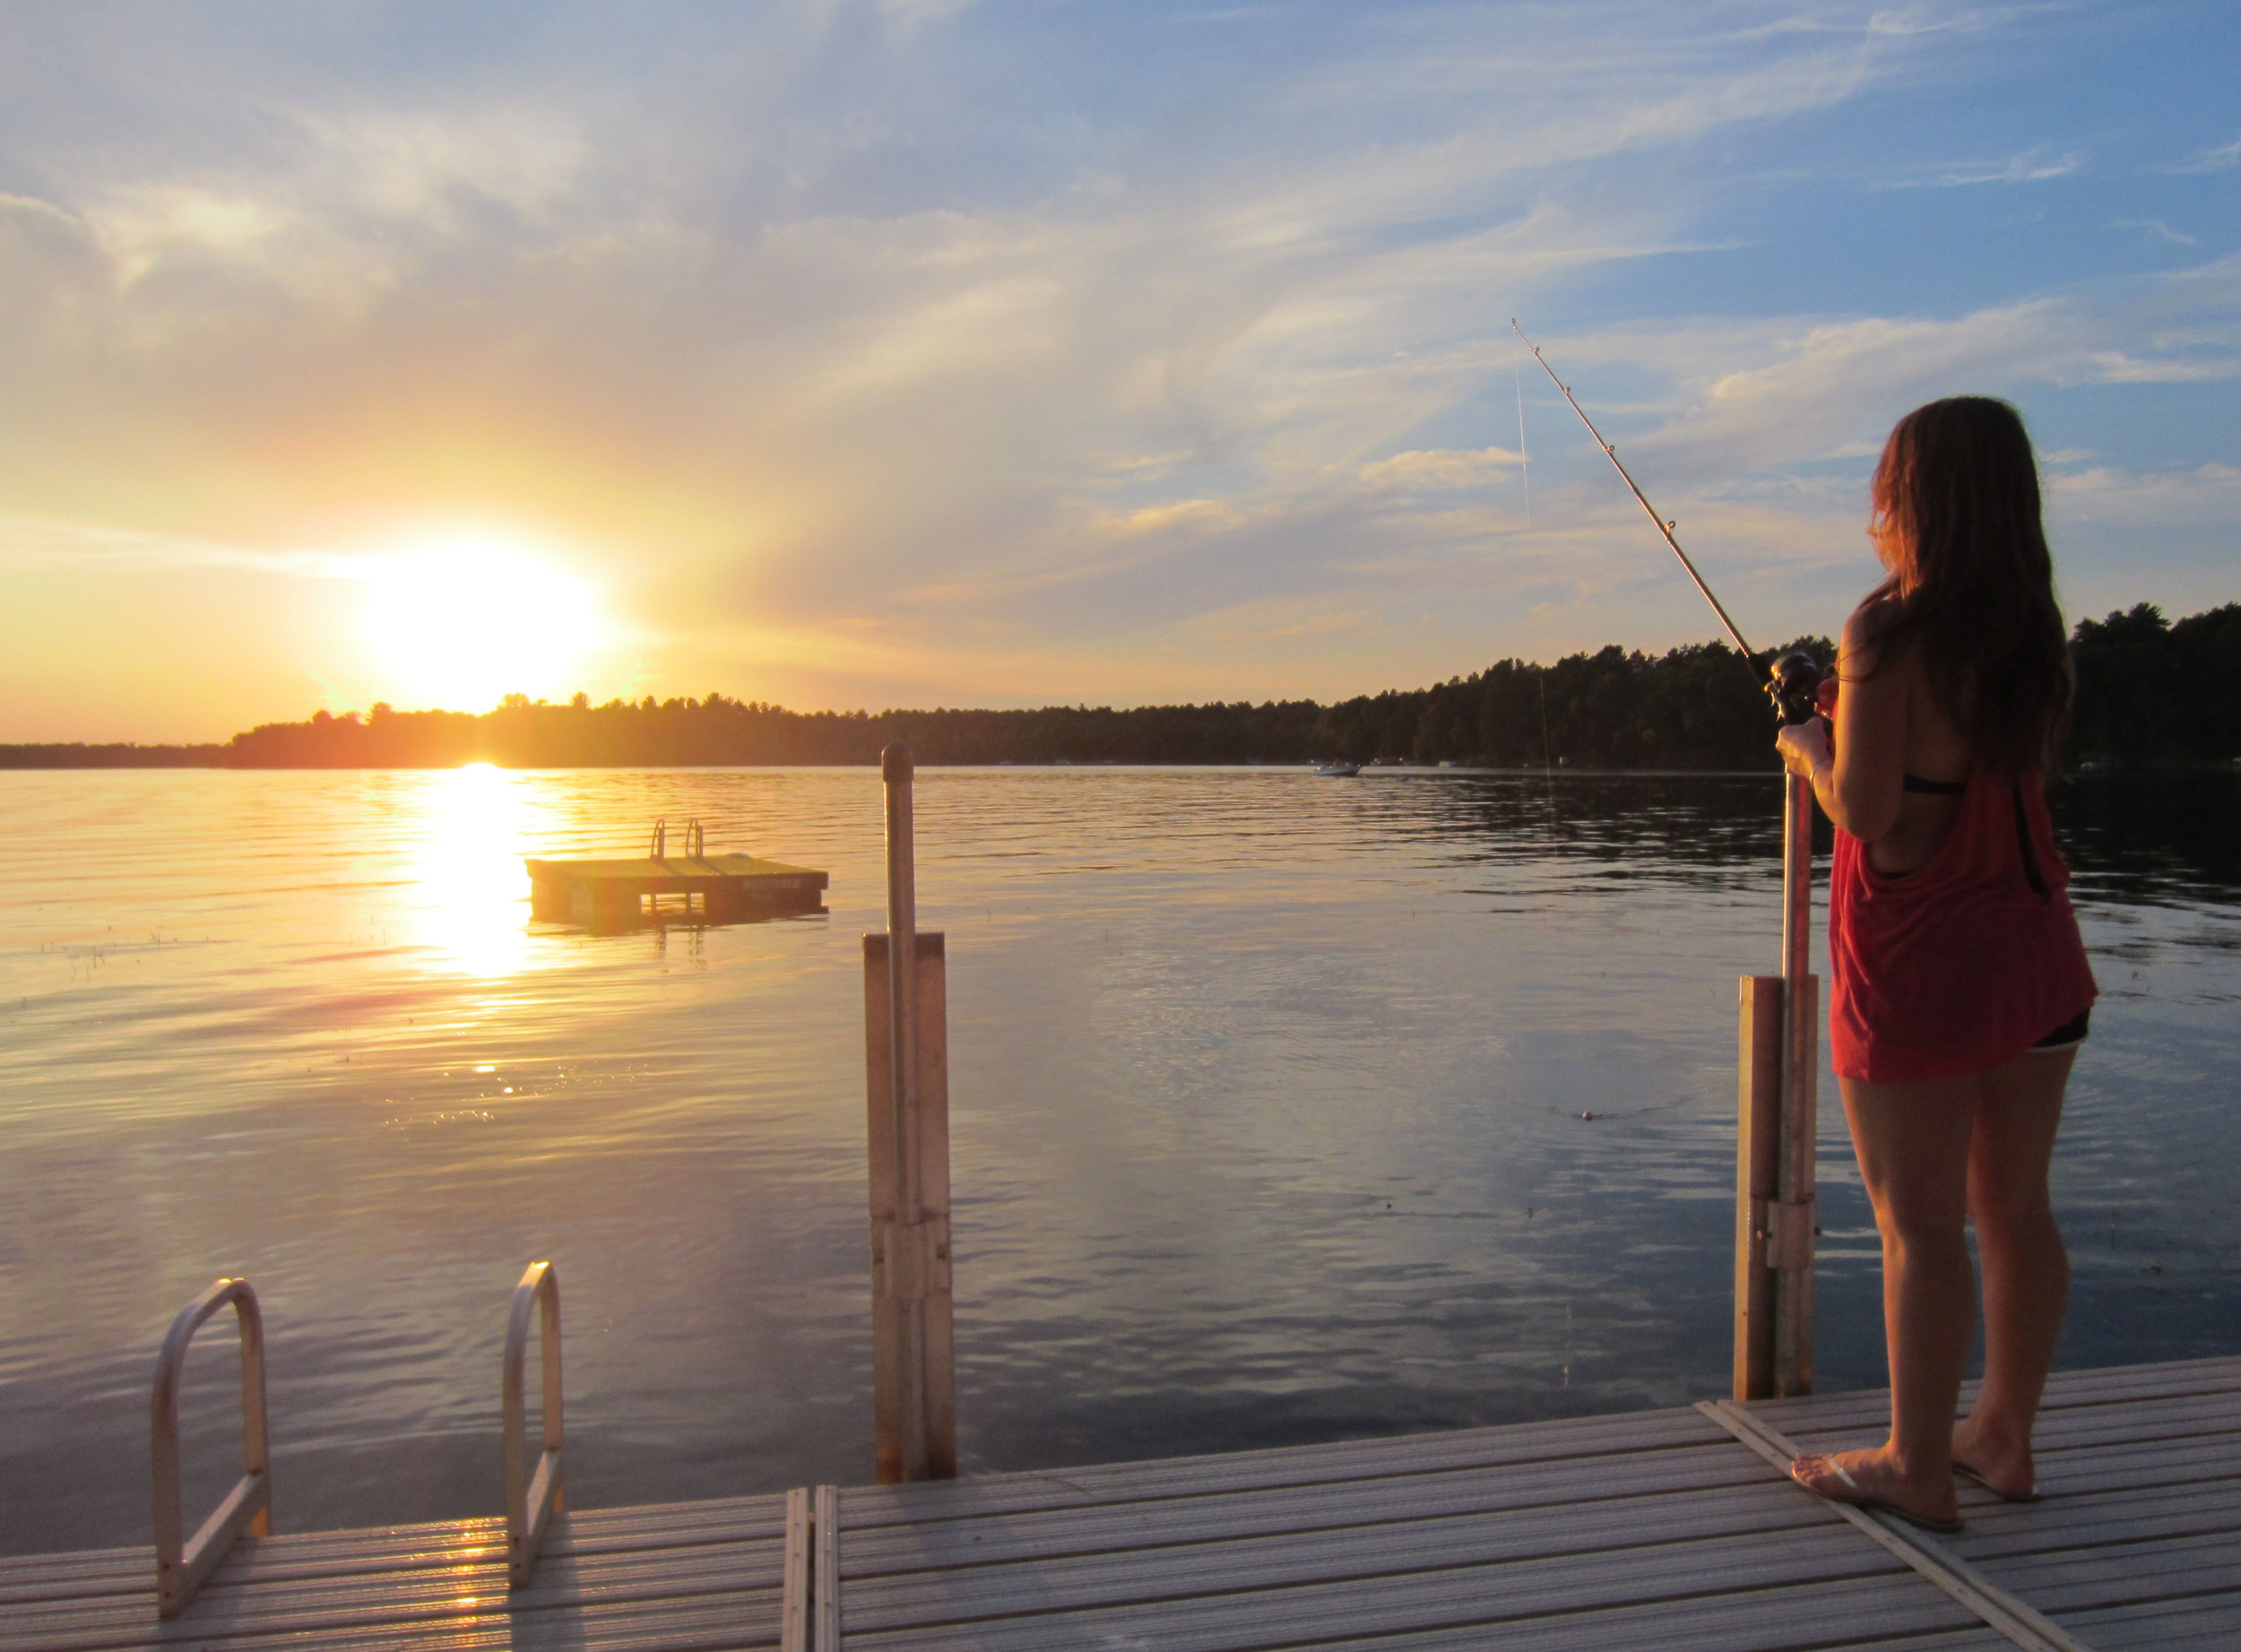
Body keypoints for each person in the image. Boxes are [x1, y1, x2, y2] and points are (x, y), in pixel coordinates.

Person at [1773, 395, 2097, 1534]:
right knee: (2014, 1208)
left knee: (1917, 1223)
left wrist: (1808, 742)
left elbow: (1867, 815)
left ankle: (1917, 1463)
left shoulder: (1886, 632)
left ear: (1913, 499)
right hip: (2037, 954)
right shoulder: (2031, 634)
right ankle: (2001, 1437)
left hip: (1920, 965)